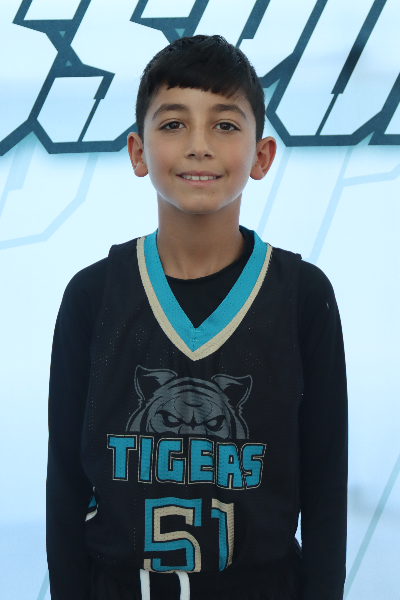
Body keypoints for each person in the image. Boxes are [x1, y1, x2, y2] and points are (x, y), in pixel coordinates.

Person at [46, 35, 348, 600]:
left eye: (225, 125)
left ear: (262, 156)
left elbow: (325, 490)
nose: (199, 146)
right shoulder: (93, 296)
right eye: (174, 123)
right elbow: (65, 483)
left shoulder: (303, 297)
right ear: (138, 151)